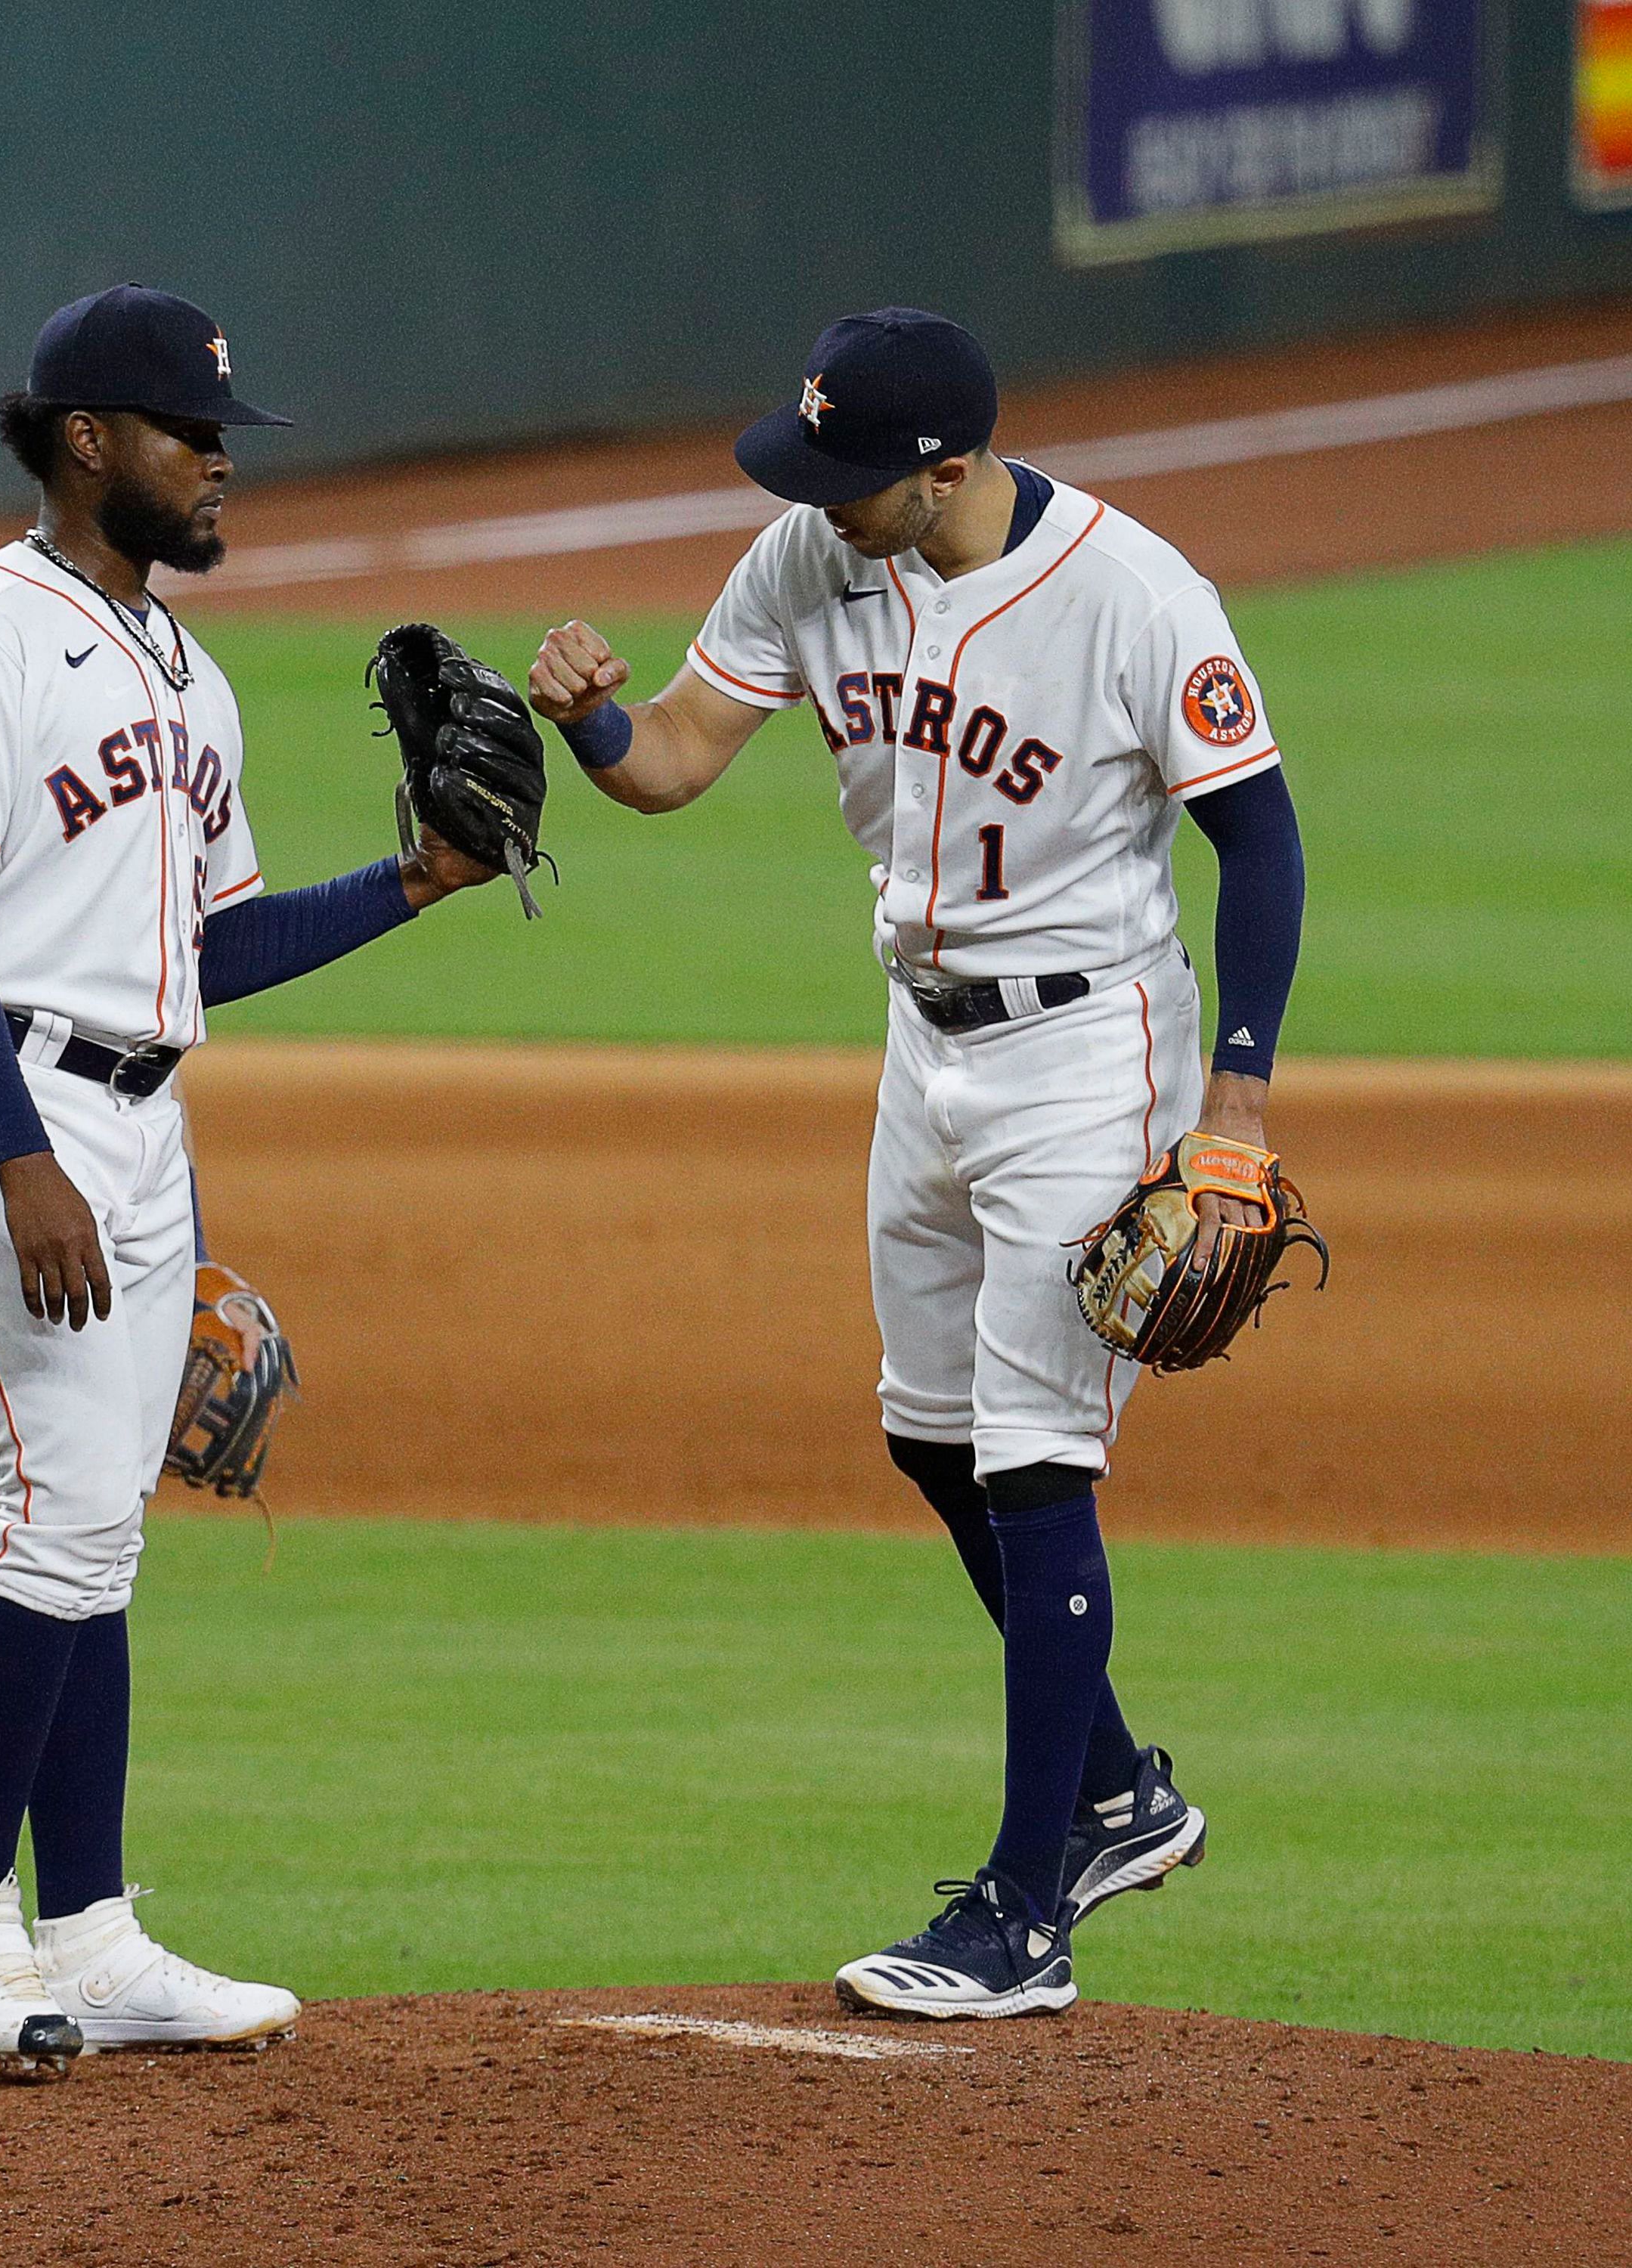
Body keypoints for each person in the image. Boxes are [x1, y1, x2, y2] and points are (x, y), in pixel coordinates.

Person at [528, 308, 1304, 2020]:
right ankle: (1117, 1796)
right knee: (927, 1433)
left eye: (850, 478)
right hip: (924, 1041)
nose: (816, 504)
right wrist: (593, 728)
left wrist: (1235, 1093)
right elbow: (675, 759)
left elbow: (1257, 824)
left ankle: (1031, 1908)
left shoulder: (1133, 594)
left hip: (1091, 1045)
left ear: (947, 471)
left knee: (1036, 1460)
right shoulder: (806, 561)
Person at [0, 284, 501, 2071]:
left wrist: (413, 884)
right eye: (187, 435)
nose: (220, 465)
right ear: (86, 443)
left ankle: (97, 1933)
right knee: (62, 1504)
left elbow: (212, 947)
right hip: (0, 1109)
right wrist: (23, 1158)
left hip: (141, 1125)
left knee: (103, 1533)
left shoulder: (186, 670)